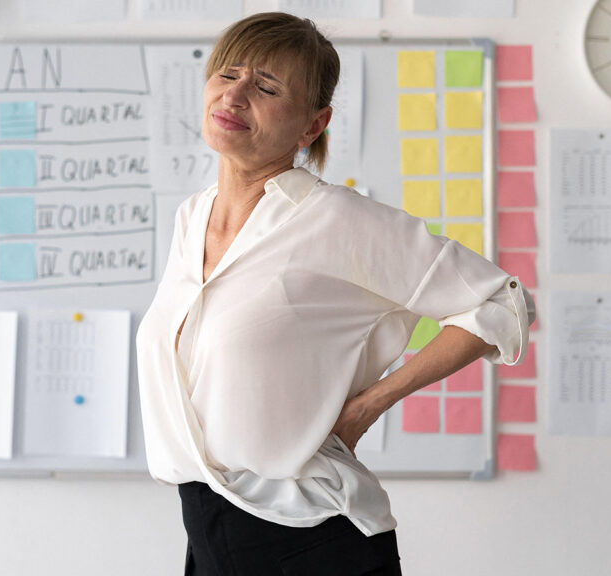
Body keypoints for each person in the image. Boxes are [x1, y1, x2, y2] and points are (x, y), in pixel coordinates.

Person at [136, 12, 535, 575]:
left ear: (313, 125)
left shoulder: (335, 220)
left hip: (308, 540)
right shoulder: (191, 217)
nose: (236, 94)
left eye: (267, 87)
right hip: (206, 529)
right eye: (227, 74)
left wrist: (367, 407)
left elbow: (502, 303)